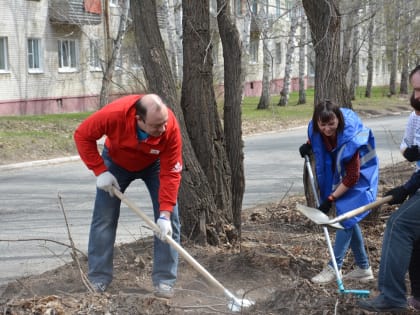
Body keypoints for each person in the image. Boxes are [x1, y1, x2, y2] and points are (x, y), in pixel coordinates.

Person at [74, 94, 183, 298]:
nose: (162, 129)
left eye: (164, 123)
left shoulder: (170, 127)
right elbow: (82, 135)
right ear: (138, 119)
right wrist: (100, 171)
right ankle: (98, 279)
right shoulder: (114, 115)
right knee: (104, 219)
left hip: (155, 165)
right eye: (155, 126)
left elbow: (171, 172)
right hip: (115, 164)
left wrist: (165, 213)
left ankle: (164, 281)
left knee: (170, 222)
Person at [358, 65, 420, 312]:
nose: (418, 95)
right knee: (415, 233)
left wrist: (405, 189)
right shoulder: (415, 117)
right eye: (416, 89)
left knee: (399, 224)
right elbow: (408, 147)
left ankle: (392, 297)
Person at [299, 100, 378, 284]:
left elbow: (352, 177)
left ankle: (334, 267)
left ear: (339, 120)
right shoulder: (317, 129)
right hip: (345, 176)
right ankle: (364, 268)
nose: (327, 128)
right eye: (323, 124)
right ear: (317, 123)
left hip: (362, 175)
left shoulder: (351, 139)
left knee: (346, 218)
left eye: (331, 124)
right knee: (348, 218)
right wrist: (308, 145)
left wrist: (331, 198)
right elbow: (316, 139)